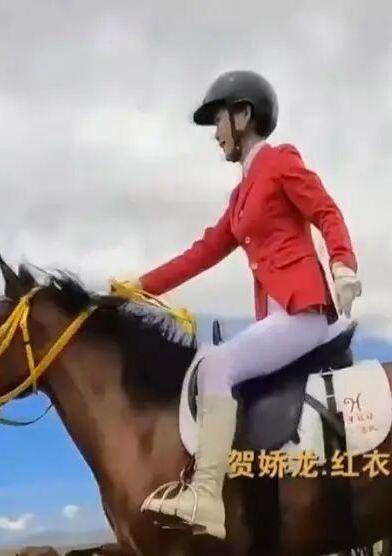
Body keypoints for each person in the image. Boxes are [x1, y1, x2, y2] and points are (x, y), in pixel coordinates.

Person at [128, 70, 362, 539]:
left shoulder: (279, 161)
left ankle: (206, 495)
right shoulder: (239, 198)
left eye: (218, 120)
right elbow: (202, 252)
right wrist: (138, 287)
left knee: (216, 365)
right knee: (215, 365)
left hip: (303, 310)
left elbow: (325, 210)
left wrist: (342, 263)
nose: (216, 134)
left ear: (243, 115)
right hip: (276, 316)